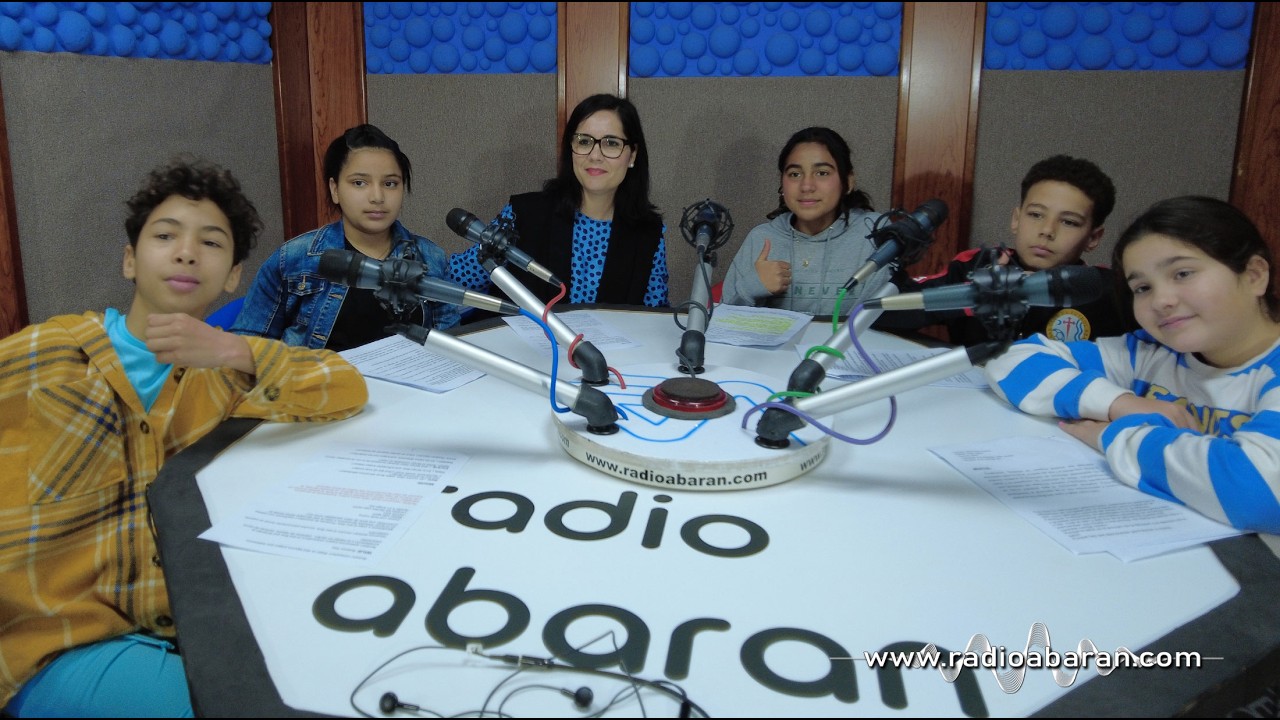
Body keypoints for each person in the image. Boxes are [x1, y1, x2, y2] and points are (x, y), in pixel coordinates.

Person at [0, 159, 368, 716]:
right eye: (165, 235)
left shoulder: (225, 380)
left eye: (211, 242)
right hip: (62, 643)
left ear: (233, 277)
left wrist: (233, 350)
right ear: (130, 259)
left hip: (194, 630)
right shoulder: (47, 355)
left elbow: (345, 387)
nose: (186, 251)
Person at [985, 196, 1280, 533]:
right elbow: (1011, 359)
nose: (1161, 301)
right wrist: (1119, 403)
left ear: (1255, 275)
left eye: (1183, 273)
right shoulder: (1151, 353)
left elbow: (1258, 492)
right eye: (1142, 287)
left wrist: (1116, 435)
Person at [233, 124, 459, 350]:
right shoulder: (294, 258)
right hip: (319, 383)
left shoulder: (430, 258)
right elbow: (248, 346)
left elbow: (451, 344)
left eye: (390, 184)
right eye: (359, 183)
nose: (377, 197)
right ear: (335, 189)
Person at [449, 94, 668, 310]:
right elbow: (457, 279)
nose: (595, 155)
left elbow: (654, 318)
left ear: (632, 156)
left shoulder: (649, 234)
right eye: (584, 141)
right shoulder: (524, 215)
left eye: (611, 143)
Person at [893, 155, 1125, 344]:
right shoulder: (975, 267)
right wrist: (972, 297)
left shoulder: (1106, 290)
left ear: (1093, 238)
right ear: (1016, 219)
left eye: (1069, 222)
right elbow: (884, 313)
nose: (1047, 230)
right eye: (1035, 215)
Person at [720, 126, 891, 316]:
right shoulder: (762, 238)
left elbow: (877, 320)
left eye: (822, 173)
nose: (807, 186)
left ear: (848, 182)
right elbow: (723, 325)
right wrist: (751, 287)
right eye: (795, 174)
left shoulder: (875, 234)